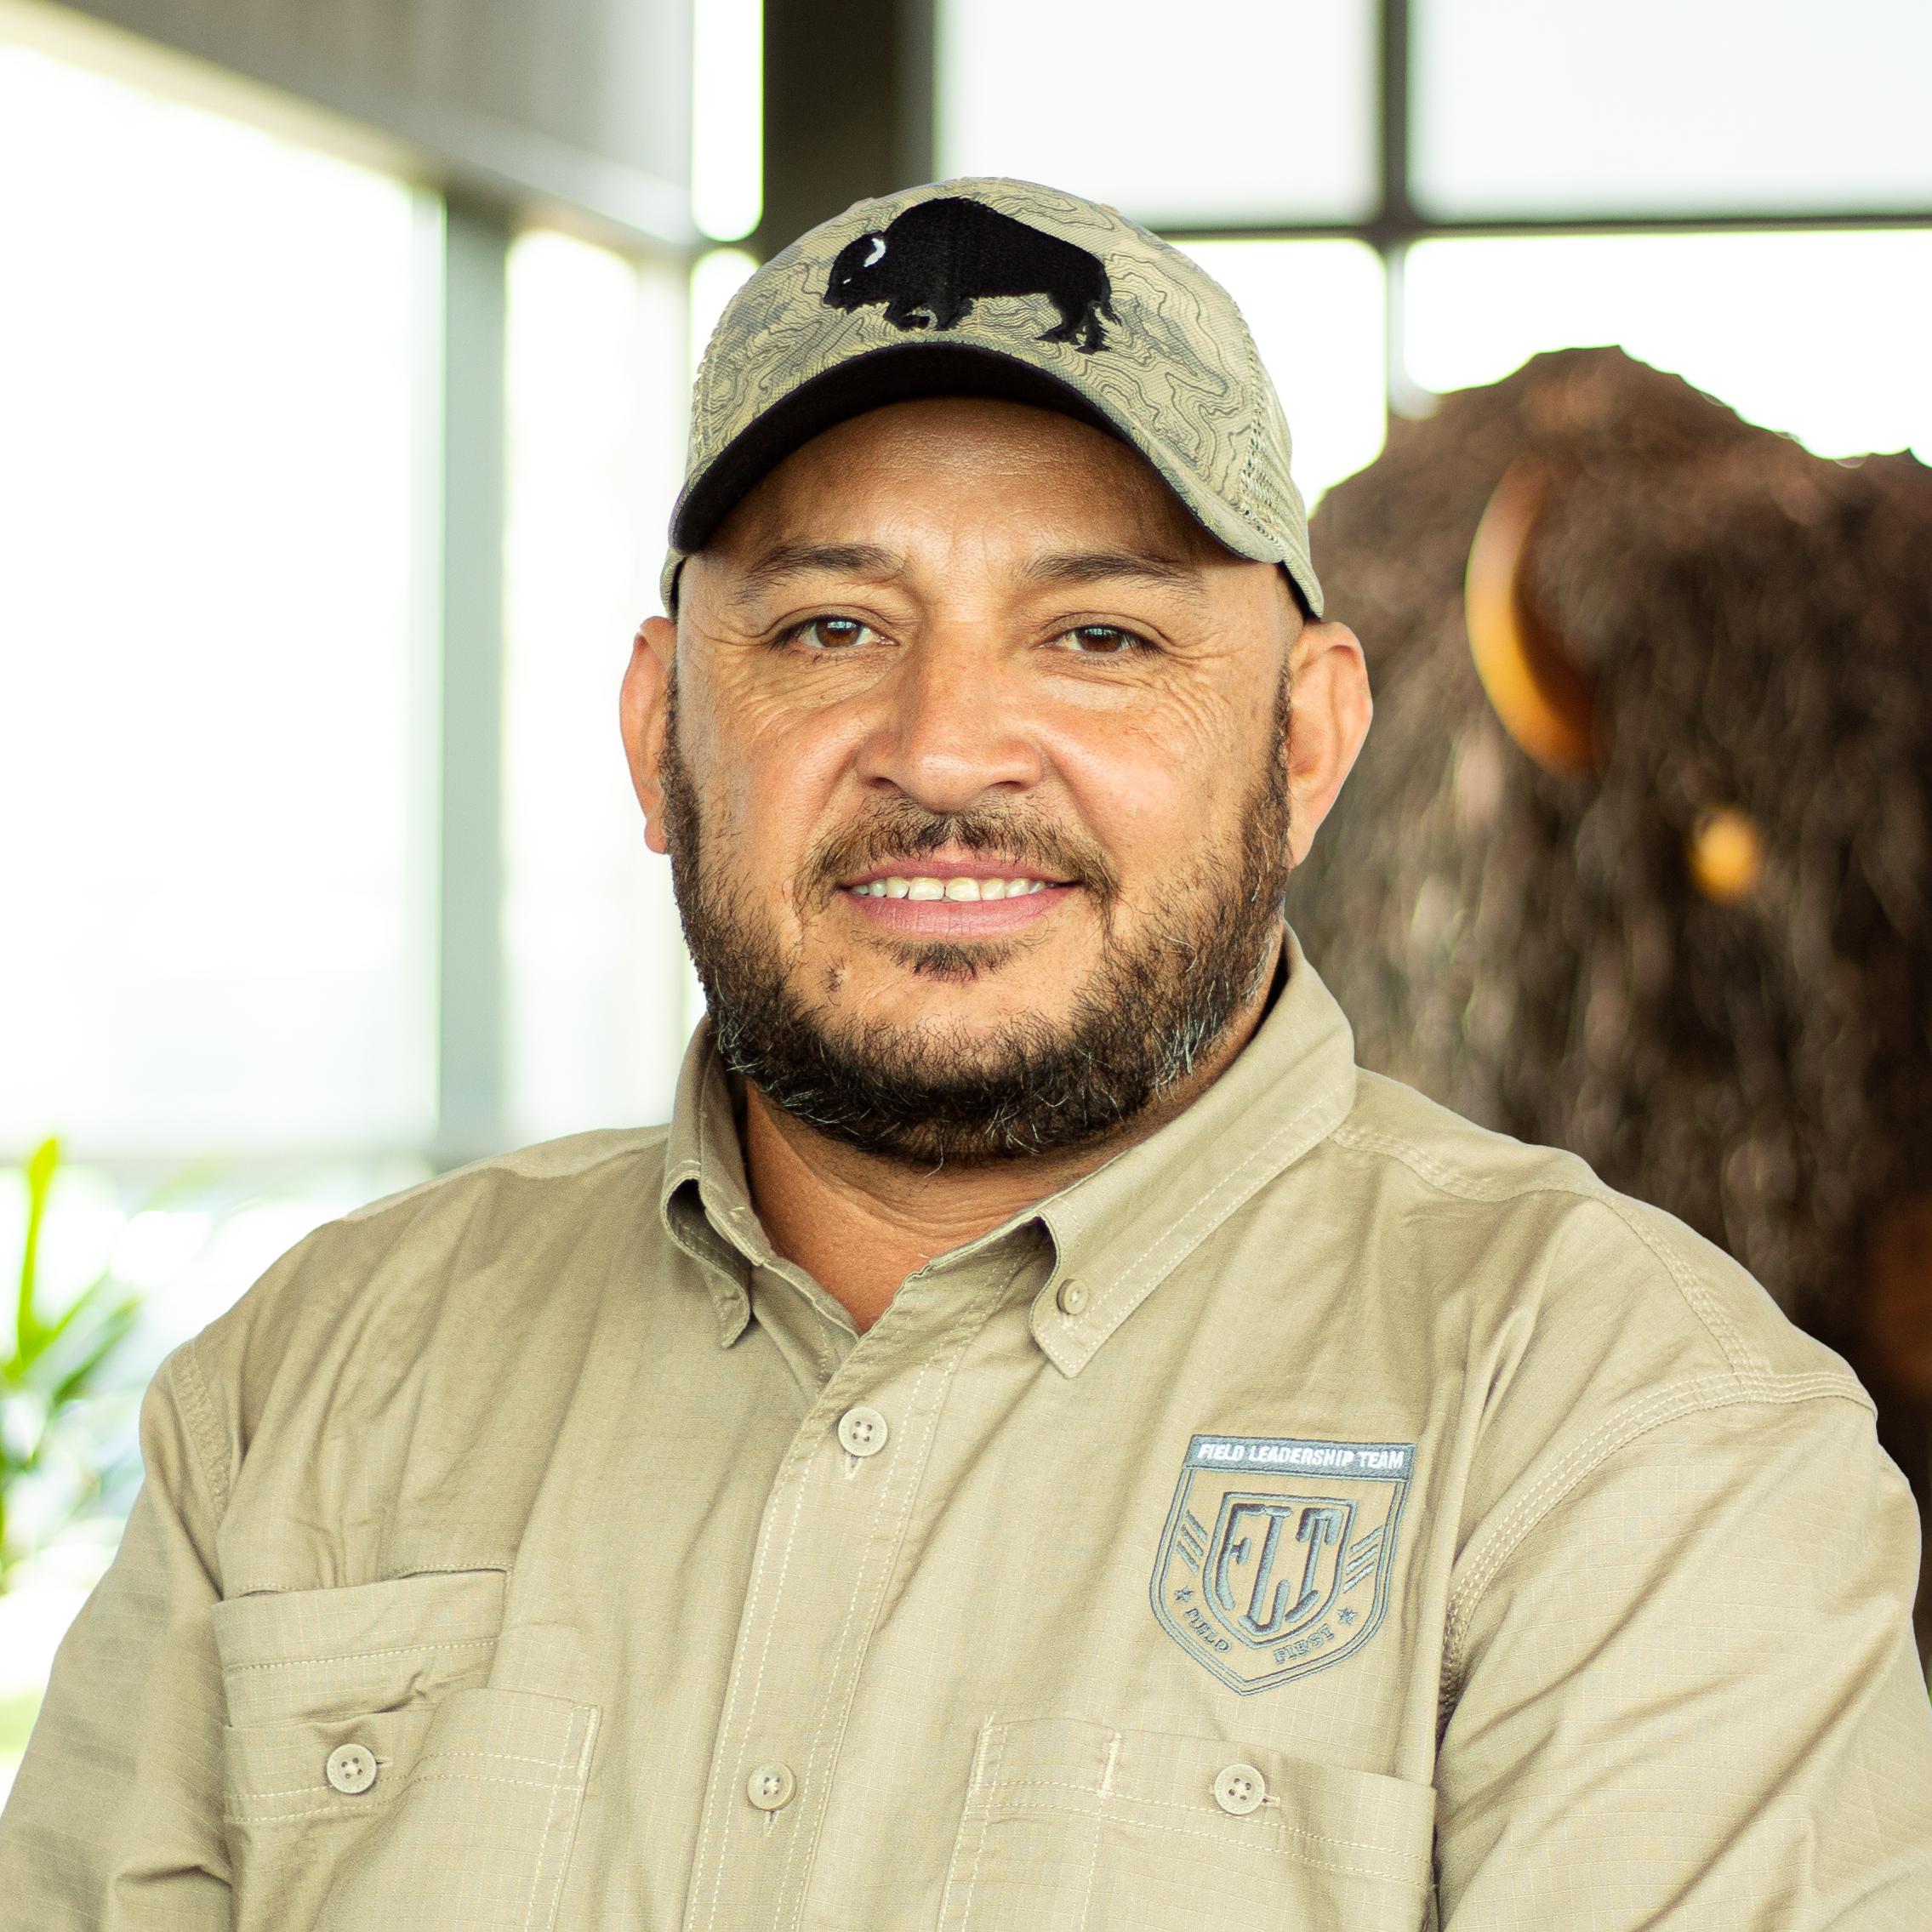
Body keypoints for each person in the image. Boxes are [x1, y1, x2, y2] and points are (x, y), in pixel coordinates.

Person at [3, 177, 1928, 1931]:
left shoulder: (1637, 1438)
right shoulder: (308, 1389)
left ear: (1310, 740)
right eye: (833, 623)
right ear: (661, 728)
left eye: (1093, 636)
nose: (941, 747)